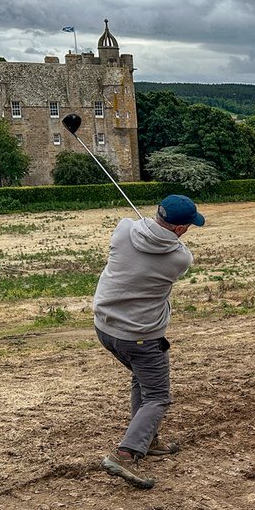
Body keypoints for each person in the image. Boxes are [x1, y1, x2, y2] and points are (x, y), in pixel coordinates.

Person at [93, 194, 205, 489]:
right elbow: (172, 250)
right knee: (157, 395)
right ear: (180, 229)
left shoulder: (124, 228)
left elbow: (134, 227)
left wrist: (148, 226)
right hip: (140, 337)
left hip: (105, 328)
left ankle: (148, 439)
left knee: (141, 381)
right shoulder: (180, 258)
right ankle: (126, 454)